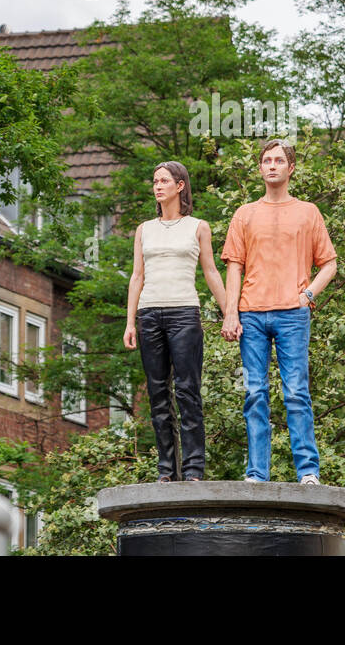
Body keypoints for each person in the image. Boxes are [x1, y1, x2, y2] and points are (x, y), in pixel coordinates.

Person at [221, 138, 337, 485]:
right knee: (254, 392)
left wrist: (308, 295)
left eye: (278, 161)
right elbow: (233, 267)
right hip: (251, 314)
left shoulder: (308, 212)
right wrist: (230, 312)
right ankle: (257, 473)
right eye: (266, 161)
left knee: (296, 392)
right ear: (260, 168)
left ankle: (308, 471)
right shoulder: (245, 214)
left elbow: (329, 263)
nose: (271, 165)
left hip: (292, 314)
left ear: (291, 168)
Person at [124, 161, 227, 482]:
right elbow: (137, 276)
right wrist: (130, 322)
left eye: (164, 181)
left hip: (184, 313)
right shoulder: (144, 229)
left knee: (187, 391)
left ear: (180, 186)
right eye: (154, 181)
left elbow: (210, 271)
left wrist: (230, 312)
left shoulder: (198, 227)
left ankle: (194, 469)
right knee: (157, 394)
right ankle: (166, 470)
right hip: (149, 314)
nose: (157, 186)